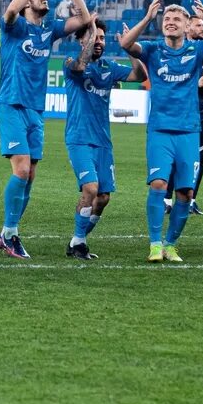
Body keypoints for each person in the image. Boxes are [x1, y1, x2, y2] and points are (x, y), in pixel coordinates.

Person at [118, 0, 203, 263]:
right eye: (166, 19)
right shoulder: (153, 50)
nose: (170, 22)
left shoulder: (197, 50)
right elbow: (125, 44)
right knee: (158, 184)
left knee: (186, 193)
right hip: (160, 130)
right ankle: (155, 244)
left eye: (176, 19)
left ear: (185, 25)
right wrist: (147, 17)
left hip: (189, 131)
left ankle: (171, 244)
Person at [0, 0, 89, 259]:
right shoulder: (14, 27)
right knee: (21, 169)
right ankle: (10, 234)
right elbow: (10, 10)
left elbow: (85, 21)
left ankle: (8, 231)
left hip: (36, 110)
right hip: (10, 104)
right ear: (25, 2)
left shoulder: (49, 30)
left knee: (31, 174)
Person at [62, 19, 144, 259]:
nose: (98, 42)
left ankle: (78, 240)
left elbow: (139, 75)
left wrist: (130, 48)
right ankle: (78, 244)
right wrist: (88, 39)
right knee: (90, 188)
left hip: (103, 142)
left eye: (101, 38)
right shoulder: (70, 63)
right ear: (80, 40)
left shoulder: (110, 66)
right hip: (79, 139)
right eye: (93, 37)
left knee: (104, 197)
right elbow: (79, 67)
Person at [168, 14, 203, 215]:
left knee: (199, 158)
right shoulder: (179, 50)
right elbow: (173, 82)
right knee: (176, 156)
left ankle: (191, 201)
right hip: (182, 112)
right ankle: (167, 199)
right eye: (199, 25)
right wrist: (196, 83)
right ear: (187, 27)